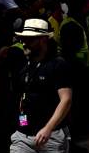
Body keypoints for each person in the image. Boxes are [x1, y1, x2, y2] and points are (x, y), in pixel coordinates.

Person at [11, 19, 72, 152]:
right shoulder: (23, 68)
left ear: (43, 40)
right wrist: (22, 124)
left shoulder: (57, 64)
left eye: (29, 40)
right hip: (23, 136)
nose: (24, 43)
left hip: (52, 136)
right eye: (22, 39)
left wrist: (48, 128)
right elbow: (22, 98)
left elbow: (66, 99)